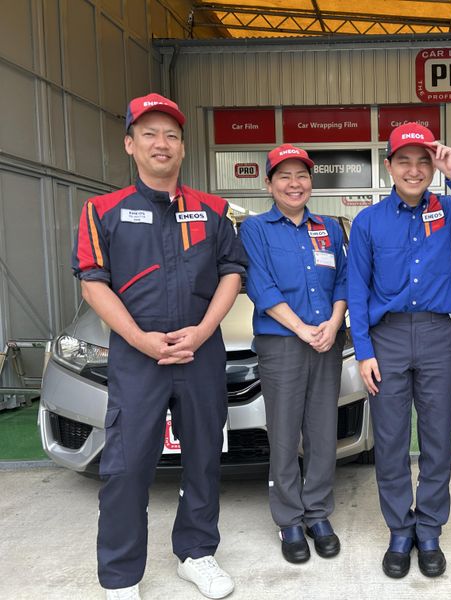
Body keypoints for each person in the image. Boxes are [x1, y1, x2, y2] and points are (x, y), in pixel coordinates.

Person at [73, 93, 247, 600]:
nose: (161, 143)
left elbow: (232, 273)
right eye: (148, 133)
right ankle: (121, 576)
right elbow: (93, 283)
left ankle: (196, 553)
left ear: (183, 147)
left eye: (171, 134)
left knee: (204, 459)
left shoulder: (214, 211)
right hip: (137, 356)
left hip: (200, 351)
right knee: (126, 466)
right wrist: (139, 340)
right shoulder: (102, 211)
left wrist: (203, 330)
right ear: (130, 144)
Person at [347, 123, 451, 579]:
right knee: (391, 439)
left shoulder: (448, 209)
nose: (413, 170)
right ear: (388, 166)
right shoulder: (369, 221)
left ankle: (429, 528)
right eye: (404, 161)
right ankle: (400, 529)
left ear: (433, 166)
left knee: (437, 439)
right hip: (387, 339)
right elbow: (357, 289)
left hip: (436, 336)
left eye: (423, 162)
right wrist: (364, 351)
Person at [239, 144, 347, 565]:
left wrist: (334, 324)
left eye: (301, 175)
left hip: (326, 340)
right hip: (283, 342)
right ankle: (289, 518)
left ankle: (317, 512)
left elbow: (345, 280)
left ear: (311, 182)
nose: (294, 183)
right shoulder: (255, 229)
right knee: (284, 433)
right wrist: (302, 329)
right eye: (284, 176)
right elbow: (260, 286)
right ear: (269, 184)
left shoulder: (329, 228)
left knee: (322, 430)